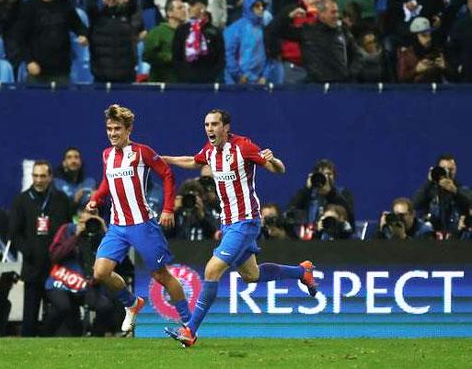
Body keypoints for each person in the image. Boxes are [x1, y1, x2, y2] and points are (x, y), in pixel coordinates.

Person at [161, 109, 317, 347]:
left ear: (226, 127)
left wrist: (272, 159)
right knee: (251, 275)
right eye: (206, 124)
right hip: (228, 223)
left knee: (212, 270)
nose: (210, 129)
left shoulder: (243, 146)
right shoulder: (210, 151)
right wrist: (165, 159)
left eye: (214, 124)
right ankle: (301, 272)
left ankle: (190, 330)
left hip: (245, 221)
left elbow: (279, 169)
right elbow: (193, 161)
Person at [85, 104, 191, 335]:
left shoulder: (142, 152)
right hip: (117, 226)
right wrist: (96, 199)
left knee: (160, 275)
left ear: (129, 129)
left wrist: (168, 209)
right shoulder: (106, 155)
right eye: (109, 129)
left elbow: (167, 174)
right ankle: (132, 303)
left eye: (117, 129)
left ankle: (189, 325)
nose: (113, 133)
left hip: (142, 224)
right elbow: (107, 182)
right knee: (100, 272)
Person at [9, 160, 72, 336]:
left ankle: (48, 338)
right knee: (30, 311)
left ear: (50, 177)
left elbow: (67, 229)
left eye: (42, 176)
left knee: (60, 307)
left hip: (56, 266)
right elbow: (14, 233)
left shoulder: (61, 200)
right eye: (35, 176)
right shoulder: (21, 201)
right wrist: (28, 252)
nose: (38, 180)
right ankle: (28, 346)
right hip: (32, 266)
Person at [42, 208, 119, 336]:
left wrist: (105, 231)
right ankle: (43, 336)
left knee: (105, 306)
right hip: (61, 282)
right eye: (88, 213)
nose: (90, 217)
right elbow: (55, 256)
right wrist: (75, 236)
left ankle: (96, 340)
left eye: (94, 214)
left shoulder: (99, 233)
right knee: (63, 307)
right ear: (80, 215)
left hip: (86, 285)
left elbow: (115, 258)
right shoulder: (67, 229)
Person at [15, 0, 89, 83]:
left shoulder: (65, 5)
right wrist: (29, 61)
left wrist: (83, 35)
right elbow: (20, 37)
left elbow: (79, 26)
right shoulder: (30, 7)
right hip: (37, 70)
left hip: (61, 71)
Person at [88, 0, 138, 83]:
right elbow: (90, 4)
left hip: (125, 74)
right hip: (101, 75)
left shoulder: (126, 14)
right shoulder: (97, 17)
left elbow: (133, 2)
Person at [265, 0, 321, 84]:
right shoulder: (291, 10)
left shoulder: (322, 16)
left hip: (317, 69)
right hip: (293, 68)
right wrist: (275, 53)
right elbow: (272, 30)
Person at [223, 0, 284, 85]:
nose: (261, 8)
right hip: (239, 82)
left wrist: (265, 76)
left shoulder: (265, 29)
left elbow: (269, 53)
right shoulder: (236, 29)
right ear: (249, 7)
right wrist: (238, 75)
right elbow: (228, 54)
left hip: (260, 82)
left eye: (262, 6)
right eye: (257, 6)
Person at [287, 158, 356, 239]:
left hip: (336, 240)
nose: (325, 179)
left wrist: (330, 193)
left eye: (329, 174)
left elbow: (350, 219)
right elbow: (289, 214)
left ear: (334, 176)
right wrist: (306, 190)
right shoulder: (307, 195)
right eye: (322, 175)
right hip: (308, 241)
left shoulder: (343, 194)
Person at [412, 154, 472, 238]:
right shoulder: (429, 190)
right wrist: (429, 182)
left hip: (456, 237)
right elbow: (414, 204)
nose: (447, 172)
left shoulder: (461, 189)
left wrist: (455, 191)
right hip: (432, 237)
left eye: (451, 169)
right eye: (443, 169)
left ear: (456, 170)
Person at [171, 0, 226, 83]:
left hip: (208, 81)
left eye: (193, 5)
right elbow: (176, 56)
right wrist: (183, 75)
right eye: (190, 5)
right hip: (186, 81)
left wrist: (212, 76)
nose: (189, 8)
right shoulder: (182, 30)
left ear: (202, 8)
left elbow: (220, 57)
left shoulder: (214, 31)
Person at [144, 0, 187, 83]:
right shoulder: (157, 32)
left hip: (181, 82)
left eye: (184, 7)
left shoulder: (188, 32)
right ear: (169, 13)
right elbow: (147, 55)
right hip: (161, 83)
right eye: (179, 8)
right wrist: (169, 57)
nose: (184, 10)